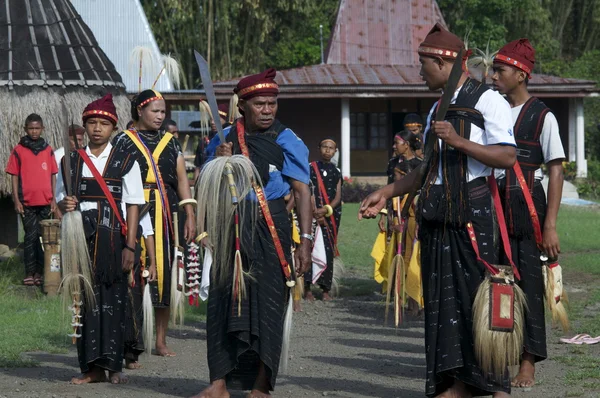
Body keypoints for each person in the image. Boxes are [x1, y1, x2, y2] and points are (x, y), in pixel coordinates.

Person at [358, 23, 517, 397]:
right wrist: (386, 192)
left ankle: (485, 385)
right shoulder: (436, 109)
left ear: (443, 63)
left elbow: (507, 156)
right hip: (437, 216)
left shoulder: (488, 99)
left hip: (472, 215)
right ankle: (451, 383)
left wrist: (459, 141)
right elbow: (427, 168)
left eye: (423, 64)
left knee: (472, 300)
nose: (419, 71)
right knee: (443, 305)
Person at [193, 68, 312, 398]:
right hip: (228, 227)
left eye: (272, 104)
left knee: (269, 304)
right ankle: (218, 383)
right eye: (260, 104)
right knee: (222, 304)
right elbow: (204, 186)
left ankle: (261, 385)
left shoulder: (287, 139)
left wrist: (305, 241)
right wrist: (216, 165)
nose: (268, 110)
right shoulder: (223, 138)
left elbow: (303, 192)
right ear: (242, 105)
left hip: (270, 226)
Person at [491, 38, 565, 389]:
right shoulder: (493, 111)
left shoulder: (543, 116)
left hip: (527, 208)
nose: (493, 76)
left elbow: (555, 170)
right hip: (493, 207)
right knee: (496, 282)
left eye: (500, 70)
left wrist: (549, 225)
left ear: (520, 74)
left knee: (528, 285)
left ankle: (528, 362)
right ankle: (497, 355)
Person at [56, 94, 144, 384]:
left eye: (103, 124)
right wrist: (65, 204)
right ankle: (91, 368)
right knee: (84, 301)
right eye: (91, 123)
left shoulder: (126, 160)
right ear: (83, 127)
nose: (96, 128)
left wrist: (130, 245)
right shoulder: (69, 161)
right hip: (79, 240)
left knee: (114, 300)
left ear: (113, 128)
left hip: (113, 242)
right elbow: (60, 200)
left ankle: (115, 365)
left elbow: (133, 205)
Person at [113, 89, 196, 357]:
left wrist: (190, 213)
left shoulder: (171, 142)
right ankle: (130, 340)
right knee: (132, 274)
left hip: (166, 213)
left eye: (163, 112)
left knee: (165, 273)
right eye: (155, 111)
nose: (160, 116)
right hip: (133, 211)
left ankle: (160, 341)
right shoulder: (123, 141)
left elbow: (182, 180)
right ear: (140, 110)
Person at [6, 113, 58, 286]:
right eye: (31, 128)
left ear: (42, 129)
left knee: (44, 238)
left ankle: (42, 273)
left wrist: (53, 199)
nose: (34, 131)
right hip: (26, 202)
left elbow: (53, 175)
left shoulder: (48, 149)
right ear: (25, 129)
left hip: (45, 201)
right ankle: (30, 272)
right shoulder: (18, 150)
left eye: (37, 128)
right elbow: (13, 176)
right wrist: (16, 200)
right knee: (30, 236)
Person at [305, 138, 342, 301]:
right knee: (309, 248)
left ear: (335, 151)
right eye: (324, 147)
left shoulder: (337, 171)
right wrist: (315, 212)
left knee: (327, 249)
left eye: (331, 148)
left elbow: (338, 196)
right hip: (311, 215)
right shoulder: (310, 168)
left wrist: (325, 211)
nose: (327, 150)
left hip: (330, 216)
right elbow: (308, 191)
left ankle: (325, 288)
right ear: (319, 148)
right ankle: (306, 288)